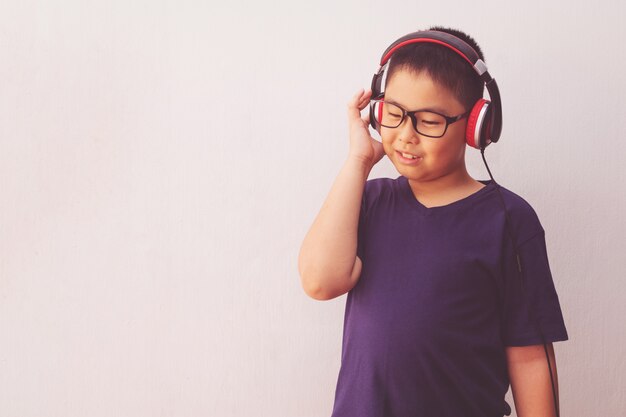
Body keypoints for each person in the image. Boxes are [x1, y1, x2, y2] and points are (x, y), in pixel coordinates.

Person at [298, 27, 568, 417]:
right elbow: (321, 281)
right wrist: (358, 160)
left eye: (428, 121)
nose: (406, 136)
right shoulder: (368, 200)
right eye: (393, 113)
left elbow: (529, 357)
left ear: (476, 126)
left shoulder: (508, 220)